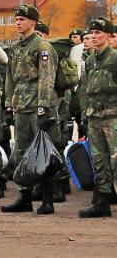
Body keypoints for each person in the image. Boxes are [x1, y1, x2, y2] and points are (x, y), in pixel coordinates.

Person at [2, 4, 59, 215]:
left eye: (22, 19)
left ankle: (47, 199)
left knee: (43, 154)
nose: (18, 23)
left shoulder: (42, 46)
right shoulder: (15, 47)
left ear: (33, 23)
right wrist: (9, 104)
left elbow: (47, 78)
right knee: (21, 153)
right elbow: (10, 78)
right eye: (16, 19)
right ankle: (24, 197)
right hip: (21, 107)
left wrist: (44, 107)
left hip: (38, 107)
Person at [80, 17, 116, 219]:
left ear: (109, 36)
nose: (94, 37)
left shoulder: (115, 58)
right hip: (94, 118)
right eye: (92, 33)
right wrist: (85, 114)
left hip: (113, 117)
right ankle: (102, 202)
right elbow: (84, 91)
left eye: (98, 33)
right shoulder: (90, 60)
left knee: (116, 160)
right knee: (99, 160)